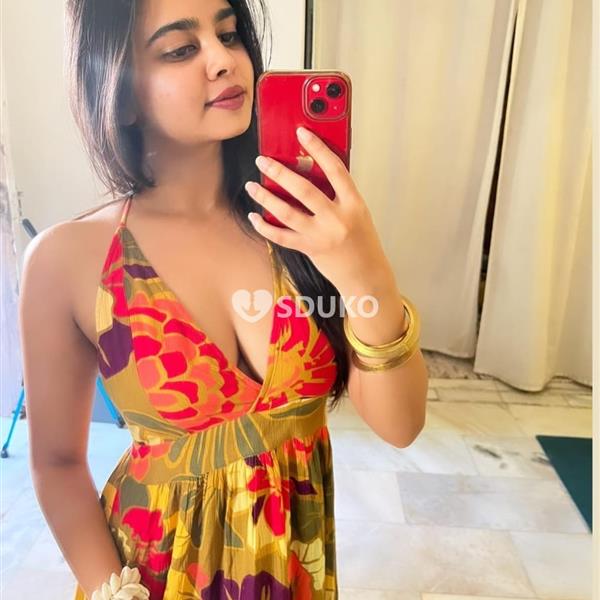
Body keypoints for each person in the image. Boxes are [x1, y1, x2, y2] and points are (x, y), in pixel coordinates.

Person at [17, 0, 428, 598]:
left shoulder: (305, 225)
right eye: (181, 49)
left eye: (230, 35)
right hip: (148, 577)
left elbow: (401, 426)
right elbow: (55, 463)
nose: (223, 60)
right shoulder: (68, 258)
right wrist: (114, 592)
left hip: (293, 573)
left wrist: (368, 276)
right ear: (122, 94)